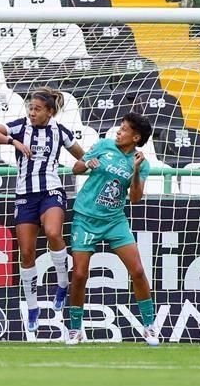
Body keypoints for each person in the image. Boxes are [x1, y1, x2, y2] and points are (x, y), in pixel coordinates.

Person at [0, 88, 84, 331]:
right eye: (30, 108)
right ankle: (32, 308)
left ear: (50, 112)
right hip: (24, 196)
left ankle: (62, 284)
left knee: (52, 233)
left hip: (51, 191)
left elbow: (81, 156)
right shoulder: (19, 127)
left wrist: (90, 163)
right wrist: (13, 141)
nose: (32, 112)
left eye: (37, 109)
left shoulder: (60, 132)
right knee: (27, 253)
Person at [67, 113, 159, 346]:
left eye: (124, 129)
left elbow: (136, 199)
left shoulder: (142, 163)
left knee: (137, 270)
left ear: (135, 137)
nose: (118, 131)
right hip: (86, 217)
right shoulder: (104, 145)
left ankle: (149, 326)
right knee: (79, 275)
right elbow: (75, 169)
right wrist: (87, 163)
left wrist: (136, 170)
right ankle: (75, 329)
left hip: (115, 221)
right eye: (120, 127)